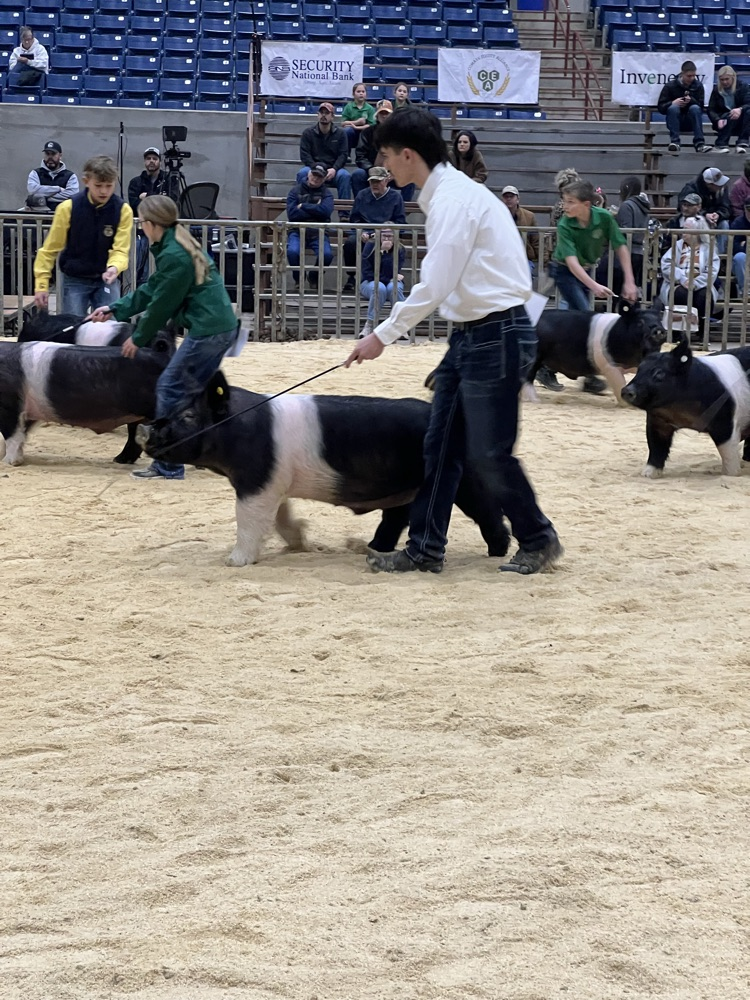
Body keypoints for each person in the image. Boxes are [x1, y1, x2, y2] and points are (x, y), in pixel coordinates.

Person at [344, 108, 562, 576]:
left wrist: (381, 335)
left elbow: (434, 284)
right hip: (473, 335)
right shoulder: (448, 197)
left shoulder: (453, 203)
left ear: (407, 155)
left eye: (386, 155)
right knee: (439, 446)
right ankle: (424, 548)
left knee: (487, 452)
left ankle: (539, 538)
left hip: (496, 332)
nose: (383, 165)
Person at [88, 195, 238, 481]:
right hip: (219, 327)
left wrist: (138, 338)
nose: (140, 227)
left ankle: (169, 463)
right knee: (195, 391)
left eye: (141, 222)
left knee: (170, 387)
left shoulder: (174, 254)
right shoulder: (175, 243)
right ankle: (208, 451)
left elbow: (162, 304)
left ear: (151, 223)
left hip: (208, 330)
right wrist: (115, 309)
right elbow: (152, 288)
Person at [549, 179, 638, 394]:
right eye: (564, 201)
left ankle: (548, 364)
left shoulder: (605, 218)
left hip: (587, 269)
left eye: (570, 202)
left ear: (587, 204)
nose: (565, 206)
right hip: (564, 271)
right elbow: (571, 262)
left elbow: (620, 246)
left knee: (575, 324)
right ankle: (585, 375)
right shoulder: (564, 224)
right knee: (585, 316)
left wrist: (629, 280)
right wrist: (594, 286)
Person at [33, 155, 133, 315]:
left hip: (107, 279)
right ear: (86, 181)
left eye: (109, 185)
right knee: (73, 329)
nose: (104, 191)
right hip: (74, 279)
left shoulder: (123, 210)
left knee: (110, 329)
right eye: (98, 185)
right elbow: (49, 250)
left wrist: (114, 267)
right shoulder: (67, 208)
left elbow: (121, 249)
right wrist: (41, 284)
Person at [343, 166, 406, 292]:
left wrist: (384, 232)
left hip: (387, 232)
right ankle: (352, 276)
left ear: (386, 180)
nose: (375, 184)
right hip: (364, 231)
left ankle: (390, 277)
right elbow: (354, 219)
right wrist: (362, 232)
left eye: (378, 181)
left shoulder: (396, 197)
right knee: (350, 243)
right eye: (372, 182)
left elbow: (400, 222)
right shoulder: (362, 195)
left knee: (394, 245)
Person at [659, 216, 720, 325]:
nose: (683, 232)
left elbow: (711, 271)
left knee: (704, 296)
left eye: (686, 229)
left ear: (696, 233)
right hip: (678, 283)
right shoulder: (677, 246)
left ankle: (702, 330)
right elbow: (666, 265)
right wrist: (682, 278)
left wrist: (695, 283)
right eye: (683, 228)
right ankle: (679, 331)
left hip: (701, 284)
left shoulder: (708, 249)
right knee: (681, 293)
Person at [597, 175, 650, 292]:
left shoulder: (627, 205)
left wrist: (614, 220)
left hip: (628, 252)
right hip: (639, 251)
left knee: (614, 286)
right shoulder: (643, 206)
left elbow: (625, 230)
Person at [286, 163, 334, 289]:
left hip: (319, 232)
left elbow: (326, 212)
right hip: (296, 230)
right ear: (309, 173)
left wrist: (303, 206)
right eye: (314, 174)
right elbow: (292, 214)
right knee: (292, 252)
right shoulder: (294, 191)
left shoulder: (327, 193)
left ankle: (314, 276)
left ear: (324, 179)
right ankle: (298, 278)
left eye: (319, 177)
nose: (316, 178)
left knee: (327, 255)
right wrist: (316, 208)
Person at [127, 147, 168, 285]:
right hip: (141, 231)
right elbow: (134, 205)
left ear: (160, 162)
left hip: (161, 232)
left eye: (155, 159)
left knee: (156, 269)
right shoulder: (135, 182)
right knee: (138, 267)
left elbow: (171, 203)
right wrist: (158, 199)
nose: (151, 161)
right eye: (148, 158)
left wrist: (147, 197)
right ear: (144, 161)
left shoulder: (169, 180)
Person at [297, 102, 352, 203]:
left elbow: (343, 155)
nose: (323, 115)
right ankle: (302, 207)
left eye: (327, 113)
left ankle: (345, 214)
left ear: (332, 117)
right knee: (302, 173)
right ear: (317, 115)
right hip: (313, 168)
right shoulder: (308, 133)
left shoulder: (341, 134)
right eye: (321, 112)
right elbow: (304, 155)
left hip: (333, 170)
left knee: (345, 176)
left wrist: (335, 169)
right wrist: (314, 168)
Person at [358, 228, 405, 338]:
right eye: (384, 236)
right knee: (379, 287)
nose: (387, 239)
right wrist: (381, 252)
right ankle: (370, 324)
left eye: (390, 236)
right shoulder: (370, 246)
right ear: (378, 236)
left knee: (395, 288)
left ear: (395, 237)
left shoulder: (400, 249)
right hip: (369, 282)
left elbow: (394, 270)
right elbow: (367, 273)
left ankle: (400, 326)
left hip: (389, 281)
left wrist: (387, 253)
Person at [657, 59, 711, 155]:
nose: (692, 78)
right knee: (673, 108)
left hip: (691, 121)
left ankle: (700, 143)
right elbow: (661, 107)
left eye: (694, 76)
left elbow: (701, 108)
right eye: (689, 76)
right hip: (674, 121)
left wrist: (691, 101)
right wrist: (673, 103)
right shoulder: (670, 86)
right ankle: (675, 142)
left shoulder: (698, 86)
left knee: (695, 108)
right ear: (682, 74)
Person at [678, 166, 731, 253]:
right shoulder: (691, 188)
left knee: (724, 224)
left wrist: (718, 214)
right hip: (696, 218)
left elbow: (726, 207)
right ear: (709, 184)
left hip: (716, 219)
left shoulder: (722, 188)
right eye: (718, 184)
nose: (721, 185)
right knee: (694, 223)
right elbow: (683, 209)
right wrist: (704, 215)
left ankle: (718, 258)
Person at [352, 98, 393, 196]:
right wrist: (371, 169)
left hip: (392, 173)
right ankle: (360, 206)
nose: (384, 116)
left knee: (410, 179)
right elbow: (360, 156)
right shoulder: (367, 133)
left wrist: (394, 173)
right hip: (370, 170)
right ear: (377, 115)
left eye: (387, 113)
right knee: (357, 174)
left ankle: (403, 209)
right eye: (381, 113)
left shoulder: (400, 134)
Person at [707, 65, 750, 155]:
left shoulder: (743, 87)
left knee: (747, 111)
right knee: (730, 115)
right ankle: (721, 144)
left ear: (733, 78)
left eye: (727, 79)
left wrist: (740, 109)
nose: (725, 82)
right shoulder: (716, 90)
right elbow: (711, 109)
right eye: (722, 80)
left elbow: (748, 103)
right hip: (723, 118)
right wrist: (717, 120)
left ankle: (742, 141)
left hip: (741, 118)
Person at [26, 140, 79, 212]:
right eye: (47, 154)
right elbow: (33, 191)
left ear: (60, 156)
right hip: (38, 218)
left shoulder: (70, 176)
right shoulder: (35, 173)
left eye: (53, 154)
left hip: (63, 217)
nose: (50, 157)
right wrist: (58, 189)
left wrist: (42, 197)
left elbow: (72, 195)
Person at [500, 185, 539, 277]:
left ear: (518, 199)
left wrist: (544, 261)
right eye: (506, 196)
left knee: (525, 276)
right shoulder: (496, 215)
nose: (509, 199)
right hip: (502, 257)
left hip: (524, 258)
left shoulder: (529, 216)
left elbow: (536, 240)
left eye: (511, 196)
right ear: (502, 199)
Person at [341, 83, 376, 154]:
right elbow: (343, 123)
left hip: (364, 133)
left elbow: (371, 125)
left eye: (363, 92)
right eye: (358, 91)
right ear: (353, 94)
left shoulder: (370, 108)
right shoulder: (349, 106)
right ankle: (347, 154)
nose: (361, 94)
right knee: (347, 131)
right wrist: (357, 123)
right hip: (352, 133)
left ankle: (367, 154)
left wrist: (356, 127)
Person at [729, 198, 750, 295]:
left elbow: (739, 244)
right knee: (740, 257)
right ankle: (746, 292)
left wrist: (744, 243)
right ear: (744, 209)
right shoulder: (738, 223)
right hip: (743, 262)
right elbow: (733, 247)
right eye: (749, 209)